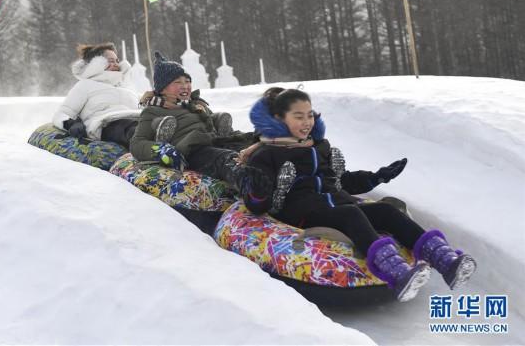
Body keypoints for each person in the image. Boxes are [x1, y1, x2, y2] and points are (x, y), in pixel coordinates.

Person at [240, 87, 477, 302]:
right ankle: (396, 274)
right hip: (302, 211)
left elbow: (339, 181)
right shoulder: (266, 154)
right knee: (350, 214)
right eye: (298, 116)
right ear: (280, 119)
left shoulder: (319, 146)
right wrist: (259, 192)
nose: (307, 122)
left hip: (335, 201)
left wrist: (375, 177)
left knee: (386, 210)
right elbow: (257, 205)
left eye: (310, 114)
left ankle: (447, 262)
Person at [130, 51, 271, 198]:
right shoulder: (152, 111)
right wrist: (160, 150)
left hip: (216, 141)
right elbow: (137, 143)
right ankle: (254, 190)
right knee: (226, 159)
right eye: (177, 82)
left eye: (187, 81)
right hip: (193, 150)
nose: (185, 86)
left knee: (252, 147)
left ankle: (278, 176)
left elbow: (224, 133)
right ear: (162, 89)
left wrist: (248, 138)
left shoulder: (196, 104)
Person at [52, 42, 141, 148]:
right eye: (111, 61)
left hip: (137, 119)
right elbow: (62, 113)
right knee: (135, 129)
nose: (117, 64)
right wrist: (71, 123)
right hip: (107, 124)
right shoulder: (85, 85)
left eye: (117, 61)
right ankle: (154, 149)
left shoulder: (126, 87)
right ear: (97, 64)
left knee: (152, 124)